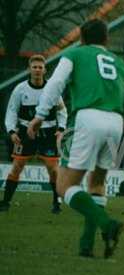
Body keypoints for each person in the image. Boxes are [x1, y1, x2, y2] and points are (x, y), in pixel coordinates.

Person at [27, 19, 124, 258]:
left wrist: (39, 114)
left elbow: (56, 83)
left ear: (81, 38)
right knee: (97, 184)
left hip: (88, 118)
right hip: (116, 123)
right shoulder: (121, 65)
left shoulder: (76, 54)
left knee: (65, 185)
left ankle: (107, 224)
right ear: (106, 39)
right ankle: (86, 246)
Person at [0, 54, 67, 213]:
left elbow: (62, 111)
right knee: (17, 166)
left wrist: (61, 129)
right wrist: (11, 130)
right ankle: (5, 202)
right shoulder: (20, 89)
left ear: (45, 70)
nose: (37, 70)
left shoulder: (52, 89)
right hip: (24, 132)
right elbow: (11, 112)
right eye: (34, 67)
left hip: (48, 132)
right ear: (29, 69)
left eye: (40, 67)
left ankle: (56, 203)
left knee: (53, 168)